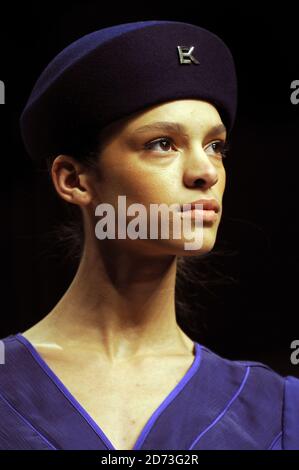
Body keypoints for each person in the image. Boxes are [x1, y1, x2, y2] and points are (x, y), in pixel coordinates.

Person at [1, 20, 298, 451]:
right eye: (163, 143)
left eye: (216, 146)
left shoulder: (278, 411)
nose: (206, 172)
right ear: (74, 179)